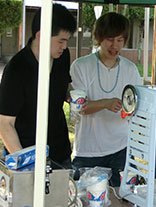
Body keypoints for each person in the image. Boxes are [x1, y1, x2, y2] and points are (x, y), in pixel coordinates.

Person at [70, 12, 142, 187]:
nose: (115, 45)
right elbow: (79, 108)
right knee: (84, 199)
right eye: (110, 39)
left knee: (121, 197)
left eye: (120, 40)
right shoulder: (81, 66)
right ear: (98, 38)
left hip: (122, 148)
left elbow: (138, 106)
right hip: (88, 150)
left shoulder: (130, 69)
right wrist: (105, 103)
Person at [0, 4, 76, 168]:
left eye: (67, 41)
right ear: (41, 35)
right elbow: (5, 124)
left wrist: (72, 97)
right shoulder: (16, 69)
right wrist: (26, 164)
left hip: (60, 151)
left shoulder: (62, 57)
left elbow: (65, 86)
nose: (64, 46)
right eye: (61, 41)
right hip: (26, 153)